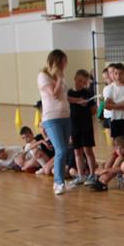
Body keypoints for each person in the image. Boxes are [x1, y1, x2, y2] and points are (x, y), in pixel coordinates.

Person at [37, 49, 74, 195]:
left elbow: (64, 96)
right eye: (63, 62)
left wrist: (78, 100)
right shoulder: (43, 76)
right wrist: (59, 78)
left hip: (65, 116)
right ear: (56, 62)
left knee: (64, 150)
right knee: (61, 149)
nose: (65, 64)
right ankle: (58, 182)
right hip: (52, 119)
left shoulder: (61, 77)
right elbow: (54, 94)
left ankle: (61, 181)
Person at [67, 69, 98, 186]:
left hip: (86, 126)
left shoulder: (88, 93)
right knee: (77, 151)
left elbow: (94, 110)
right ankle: (80, 175)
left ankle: (92, 174)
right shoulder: (68, 93)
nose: (81, 84)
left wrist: (86, 105)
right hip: (74, 127)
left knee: (88, 150)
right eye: (79, 81)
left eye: (84, 82)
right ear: (75, 78)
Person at [103, 63, 124, 142]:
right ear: (113, 74)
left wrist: (113, 105)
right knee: (116, 142)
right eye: (116, 73)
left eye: (121, 73)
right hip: (115, 119)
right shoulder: (110, 88)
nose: (118, 76)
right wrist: (122, 104)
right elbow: (106, 106)